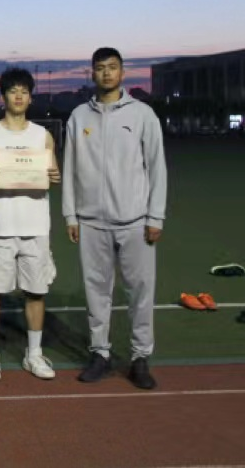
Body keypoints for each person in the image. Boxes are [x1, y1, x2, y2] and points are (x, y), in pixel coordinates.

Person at [62, 47, 167, 390]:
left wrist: (155, 216)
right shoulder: (79, 116)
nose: (106, 73)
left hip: (136, 221)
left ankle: (140, 358)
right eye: (100, 68)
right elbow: (69, 168)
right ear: (91, 73)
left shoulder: (143, 115)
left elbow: (157, 167)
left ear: (123, 73)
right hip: (91, 221)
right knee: (96, 292)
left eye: (112, 67)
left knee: (141, 292)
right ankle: (100, 354)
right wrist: (70, 214)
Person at [0, 68, 60, 383]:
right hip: (0, 223)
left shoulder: (42, 135)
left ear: (30, 97)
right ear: (3, 96)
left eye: (24, 91)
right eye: (13, 91)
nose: (18, 96)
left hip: (36, 224)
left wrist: (54, 176)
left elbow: (51, 174)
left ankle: (33, 354)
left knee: (36, 291)